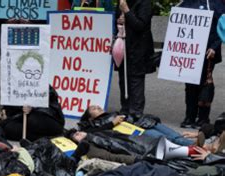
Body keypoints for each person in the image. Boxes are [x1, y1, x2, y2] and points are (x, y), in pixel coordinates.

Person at [180, 0, 222, 128]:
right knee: (190, 84)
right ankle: (190, 116)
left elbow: (222, 27)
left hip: (208, 51)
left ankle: (203, 118)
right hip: (190, 51)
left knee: (204, 83)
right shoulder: (186, 3)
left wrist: (214, 47)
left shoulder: (216, 4)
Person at [79, 105, 194, 145]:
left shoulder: (114, 113)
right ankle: (201, 148)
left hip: (145, 123)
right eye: (93, 109)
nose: (98, 107)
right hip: (138, 132)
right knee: (171, 140)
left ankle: (199, 147)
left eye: (97, 106)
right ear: (90, 117)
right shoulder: (93, 125)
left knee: (175, 136)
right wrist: (111, 123)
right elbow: (90, 133)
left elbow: (134, 116)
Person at [115, 0, 154, 117]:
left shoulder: (144, 3)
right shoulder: (122, 1)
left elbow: (140, 25)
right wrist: (119, 21)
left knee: (135, 79)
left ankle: (136, 112)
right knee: (123, 78)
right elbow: (118, 22)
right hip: (124, 46)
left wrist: (127, 11)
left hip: (139, 48)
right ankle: (125, 109)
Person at [0, 87, 65, 141]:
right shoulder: (12, 83)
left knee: (33, 120)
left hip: (46, 117)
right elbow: (11, 108)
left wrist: (33, 105)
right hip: (24, 121)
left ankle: (50, 136)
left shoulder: (38, 81)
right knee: (7, 129)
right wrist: (6, 114)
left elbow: (51, 94)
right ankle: (42, 138)